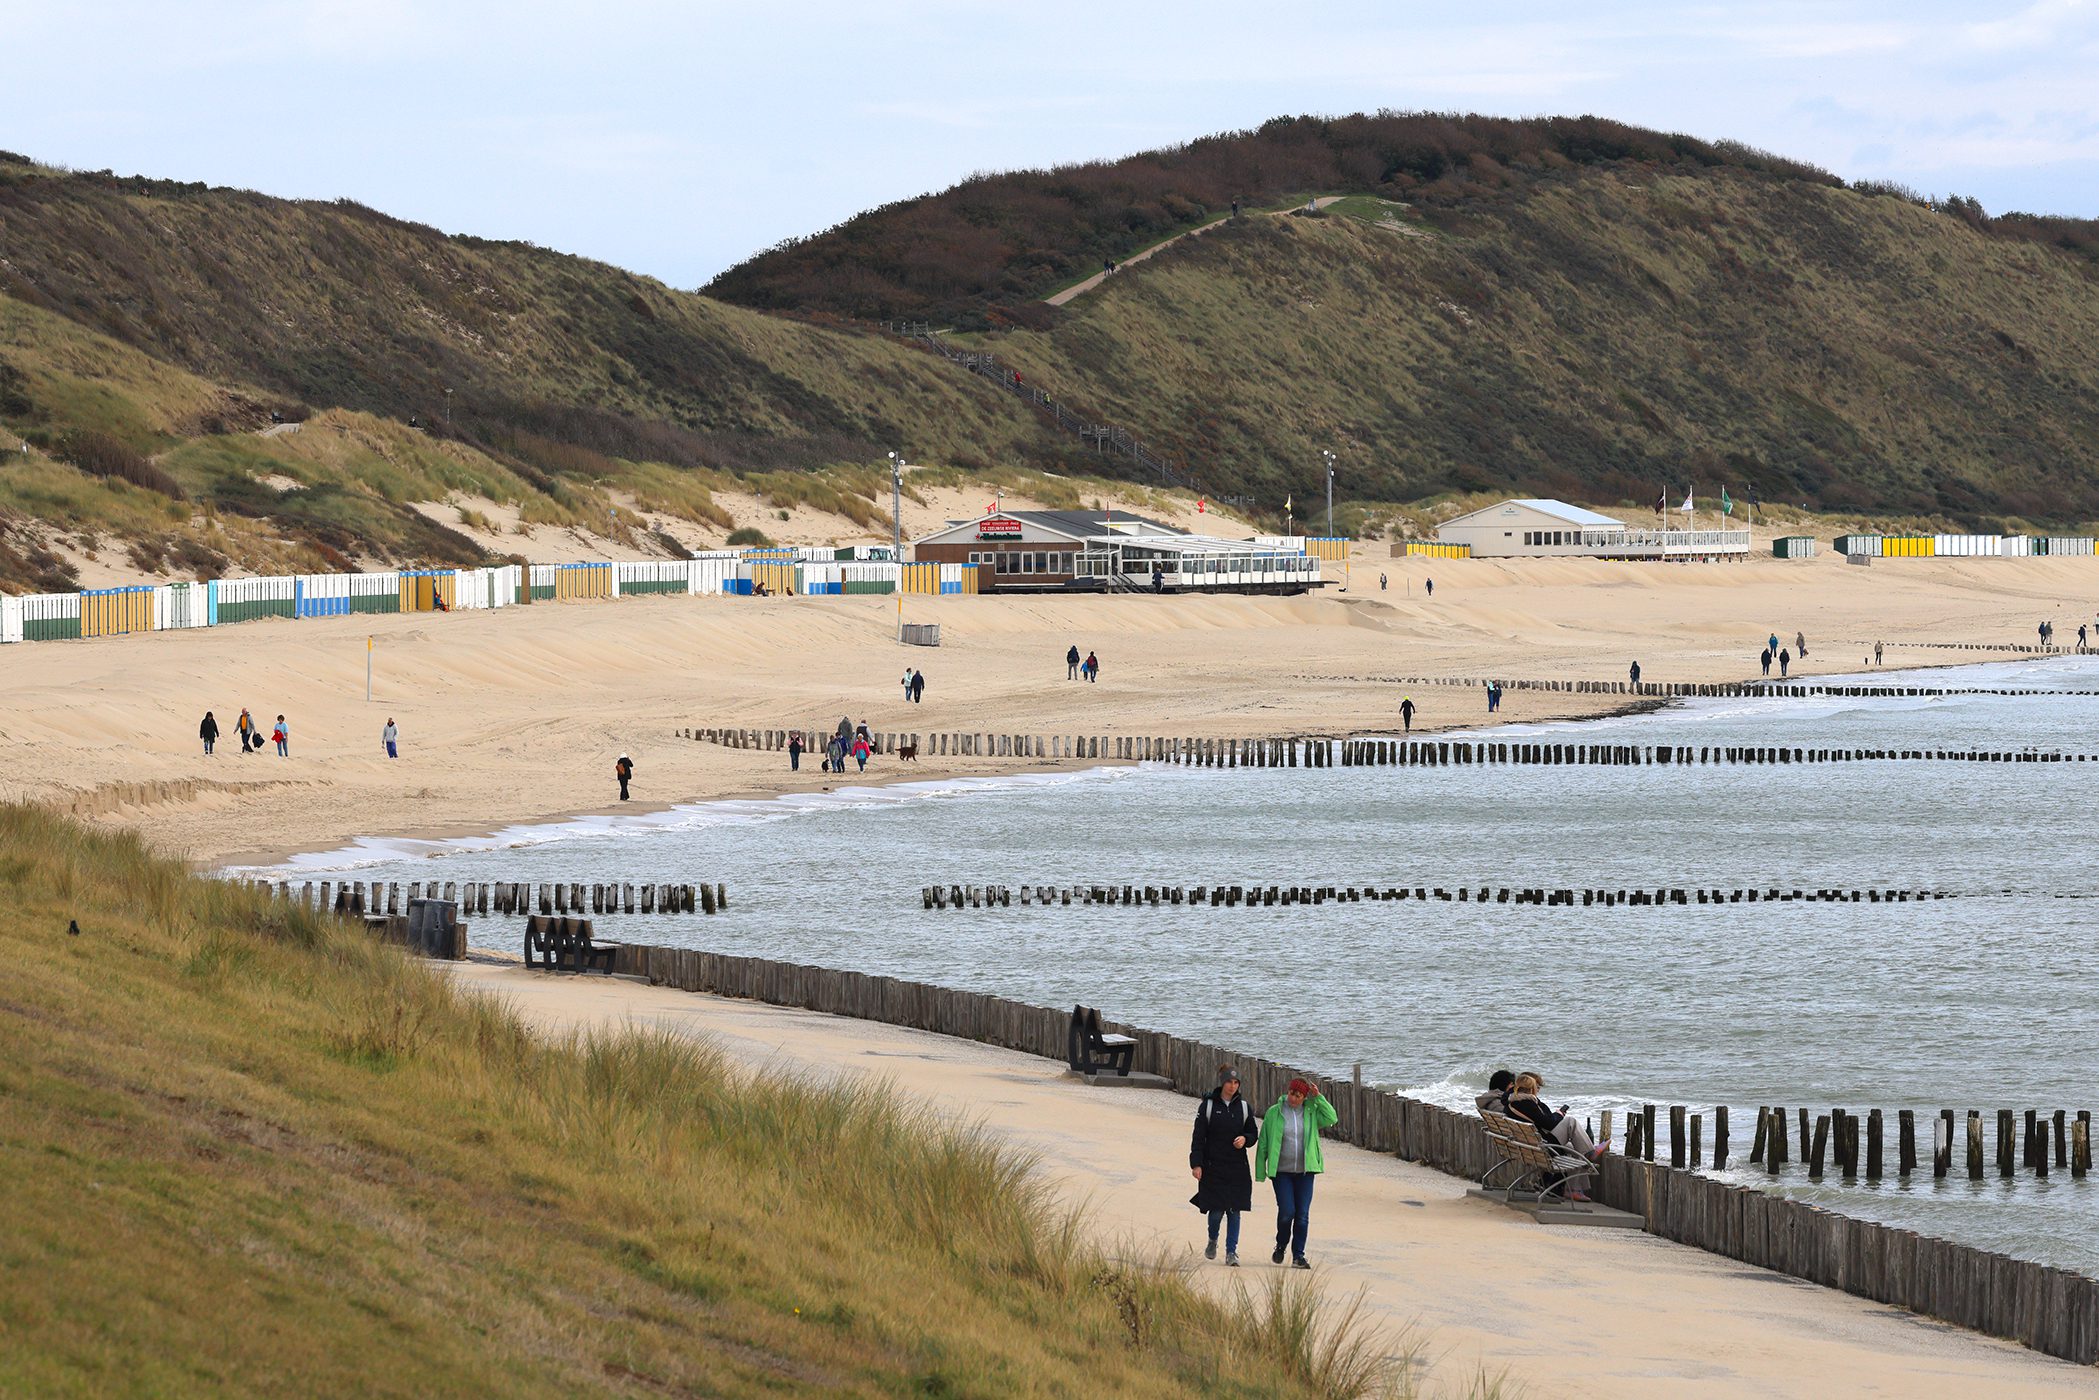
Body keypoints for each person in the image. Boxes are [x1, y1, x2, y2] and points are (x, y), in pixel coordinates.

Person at [1257, 1077, 1336, 1268]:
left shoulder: (1311, 1112)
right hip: (1281, 1172)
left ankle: (1298, 1256)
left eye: (1299, 1095)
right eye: (1292, 1093)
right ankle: (1281, 1245)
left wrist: (1318, 1098)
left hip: (1305, 1172)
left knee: (1302, 1215)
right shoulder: (1274, 1112)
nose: (1293, 1098)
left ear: (1304, 1097)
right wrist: (1261, 1171)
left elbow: (1332, 1118)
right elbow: (1264, 1142)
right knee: (1287, 1212)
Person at [1190, 1066, 1259, 1266]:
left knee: (1235, 1211)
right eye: (1229, 1082)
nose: (1232, 1086)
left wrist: (1245, 1139)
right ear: (1222, 1082)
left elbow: (1253, 1133)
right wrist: (1196, 1164)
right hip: (1213, 1167)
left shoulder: (1244, 1107)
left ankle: (1231, 1252)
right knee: (1216, 1212)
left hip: (1237, 1167)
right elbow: (1198, 1138)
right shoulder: (1208, 1106)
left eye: (1236, 1083)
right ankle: (1213, 1239)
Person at [1507, 1071, 1602, 1201]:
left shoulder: (1512, 1103)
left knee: (1573, 1148)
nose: (1538, 1090)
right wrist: (1559, 1114)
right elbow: (1549, 1124)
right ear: (1531, 1088)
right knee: (1571, 1122)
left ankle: (1572, 1190)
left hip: (1529, 1147)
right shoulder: (1527, 1103)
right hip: (1543, 1148)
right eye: (1536, 1087)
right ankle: (1591, 1152)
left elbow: (1542, 1121)